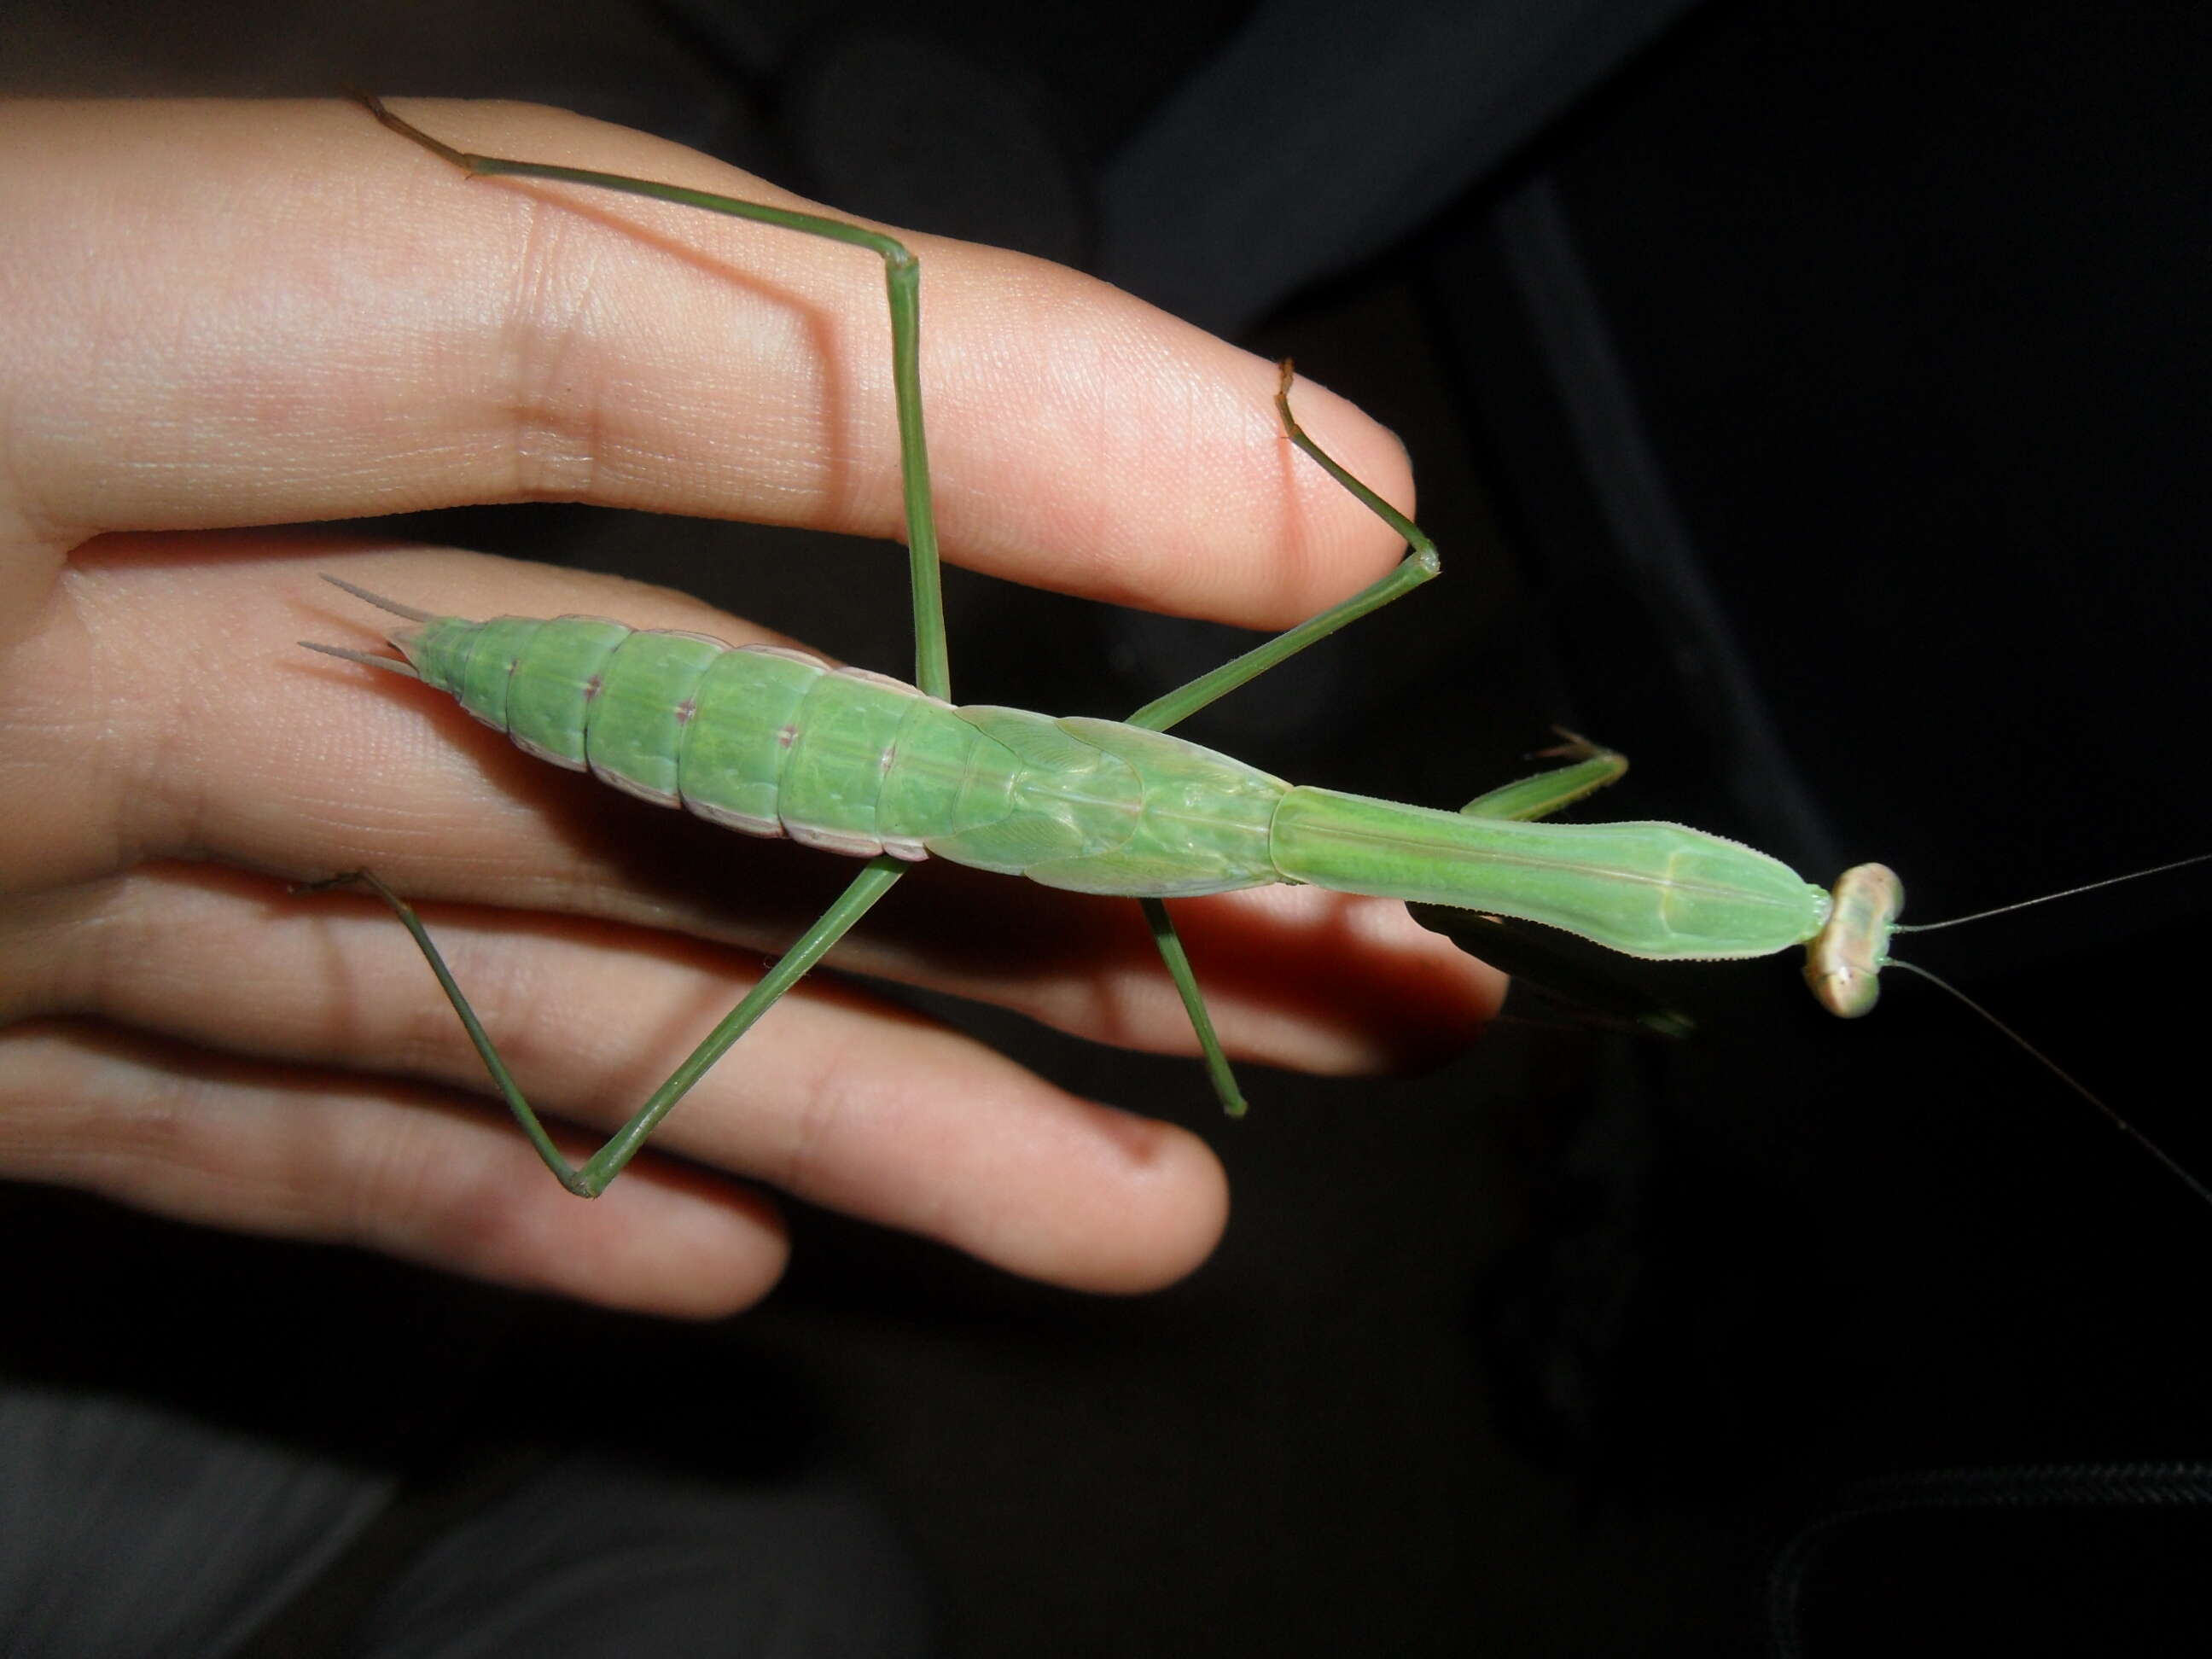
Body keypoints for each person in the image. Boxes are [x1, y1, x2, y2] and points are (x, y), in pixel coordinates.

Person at [0, 96, 1499, 1318]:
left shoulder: (1254, 861)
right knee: (904, 295)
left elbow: (1420, 574)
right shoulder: (1254, 871)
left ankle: (471, 171)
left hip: (801, 754)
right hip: (801, 755)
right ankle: (473, 171)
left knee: (907, 296)